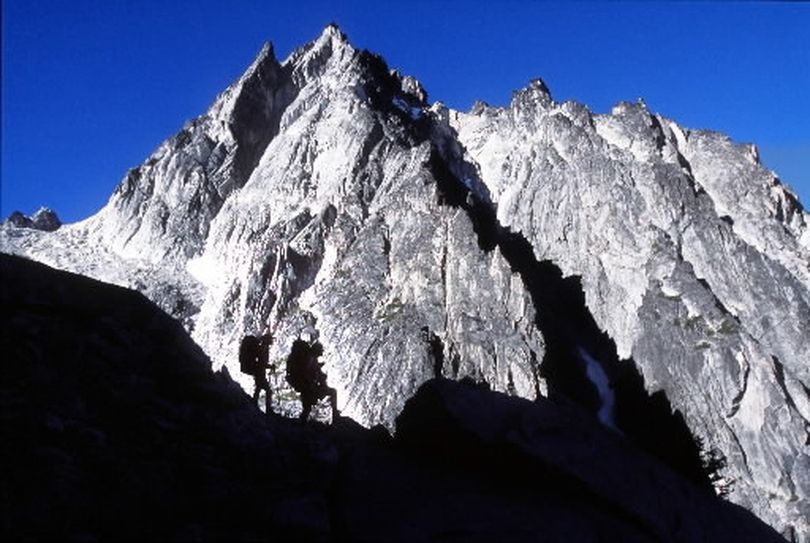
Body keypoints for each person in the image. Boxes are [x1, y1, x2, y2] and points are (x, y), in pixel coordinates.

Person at [286, 338, 338, 422]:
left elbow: (316, 373)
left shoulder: (310, 358)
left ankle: (301, 426)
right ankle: (335, 416)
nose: (321, 354)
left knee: (307, 408)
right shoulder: (309, 359)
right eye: (320, 352)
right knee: (308, 408)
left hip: (305, 386)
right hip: (307, 387)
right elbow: (308, 374)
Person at [240, 333, 274, 413]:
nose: (272, 341)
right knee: (268, 390)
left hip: (258, 372)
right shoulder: (263, 348)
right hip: (259, 372)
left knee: (258, 388)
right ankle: (268, 410)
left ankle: (254, 404)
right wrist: (270, 367)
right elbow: (262, 363)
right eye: (270, 339)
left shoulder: (262, 347)